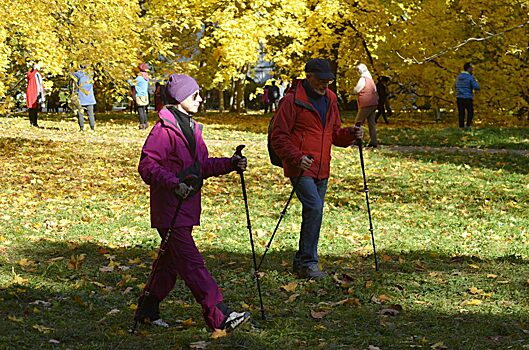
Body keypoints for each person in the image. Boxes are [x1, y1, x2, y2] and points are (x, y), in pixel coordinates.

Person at [135, 73, 251, 332]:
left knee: (170, 264)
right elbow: (147, 165)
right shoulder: (163, 130)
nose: (200, 99)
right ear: (179, 98)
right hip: (170, 211)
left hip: (185, 210)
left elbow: (201, 166)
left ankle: (147, 309)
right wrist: (175, 183)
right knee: (192, 264)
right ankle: (219, 315)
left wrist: (230, 164)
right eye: (194, 95)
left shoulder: (191, 127)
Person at [270, 58, 363, 280]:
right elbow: (278, 136)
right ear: (308, 76)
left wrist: (351, 134)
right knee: (314, 208)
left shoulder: (330, 99)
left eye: (328, 81)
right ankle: (308, 263)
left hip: (323, 166)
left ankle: (303, 260)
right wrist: (296, 157)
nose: (325, 85)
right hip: (300, 166)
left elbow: (334, 134)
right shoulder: (292, 101)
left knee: (314, 211)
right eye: (321, 80)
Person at [353, 63, 379, 148]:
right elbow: (375, 90)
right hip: (373, 103)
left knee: (358, 121)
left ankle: (357, 139)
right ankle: (374, 141)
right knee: (371, 123)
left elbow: (357, 90)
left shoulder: (363, 79)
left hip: (366, 103)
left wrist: (354, 90)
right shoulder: (371, 79)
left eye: (358, 70)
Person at [455, 62, 480, 130]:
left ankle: (461, 126)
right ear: (468, 69)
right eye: (471, 68)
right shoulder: (470, 77)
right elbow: (476, 87)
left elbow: (455, 86)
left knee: (461, 113)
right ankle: (468, 125)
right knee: (470, 112)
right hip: (467, 97)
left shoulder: (458, 77)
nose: (472, 69)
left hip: (459, 97)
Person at [73, 66, 97, 131]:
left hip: (81, 98)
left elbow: (72, 74)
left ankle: (81, 128)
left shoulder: (78, 74)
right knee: (91, 114)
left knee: (80, 114)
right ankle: (92, 128)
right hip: (90, 98)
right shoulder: (91, 74)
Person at [26, 63, 45, 127]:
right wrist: (35, 69)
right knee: (31, 108)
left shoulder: (38, 75)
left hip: (38, 92)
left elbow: (40, 84)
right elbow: (29, 77)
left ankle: (35, 122)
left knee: (36, 108)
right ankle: (32, 122)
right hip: (32, 92)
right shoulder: (30, 73)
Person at [135, 63, 150, 129]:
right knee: (143, 111)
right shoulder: (146, 77)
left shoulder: (139, 78)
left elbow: (132, 83)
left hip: (139, 96)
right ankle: (146, 123)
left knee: (140, 111)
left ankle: (142, 125)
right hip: (145, 96)